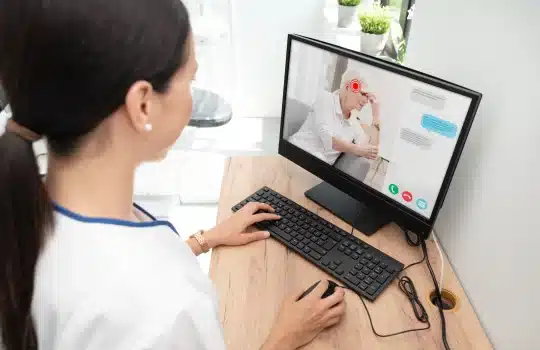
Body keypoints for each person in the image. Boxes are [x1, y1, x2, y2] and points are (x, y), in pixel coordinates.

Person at [0, 1, 346, 350]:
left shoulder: (28, 207)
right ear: (143, 105)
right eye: (190, 79)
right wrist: (284, 337)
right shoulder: (165, 311)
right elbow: (136, 298)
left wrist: (205, 239)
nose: (193, 98)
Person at [288, 69, 381, 166]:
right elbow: (326, 137)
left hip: (315, 170)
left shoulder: (353, 123)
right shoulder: (325, 98)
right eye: (363, 94)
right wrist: (357, 149)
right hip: (295, 155)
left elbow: (372, 152)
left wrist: (376, 115)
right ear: (348, 87)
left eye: (368, 97)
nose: (366, 100)